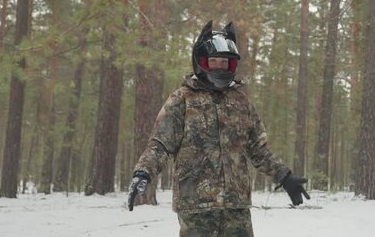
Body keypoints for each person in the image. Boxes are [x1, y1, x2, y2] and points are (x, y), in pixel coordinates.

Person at [128, 20, 309, 236]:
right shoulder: (182, 99)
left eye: (225, 62)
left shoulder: (241, 102)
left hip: (236, 207)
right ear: (201, 61)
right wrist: (143, 172)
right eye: (214, 61)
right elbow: (161, 143)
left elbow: (259, 149)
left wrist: (285, 177)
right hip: (196, 206)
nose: (219, 66)